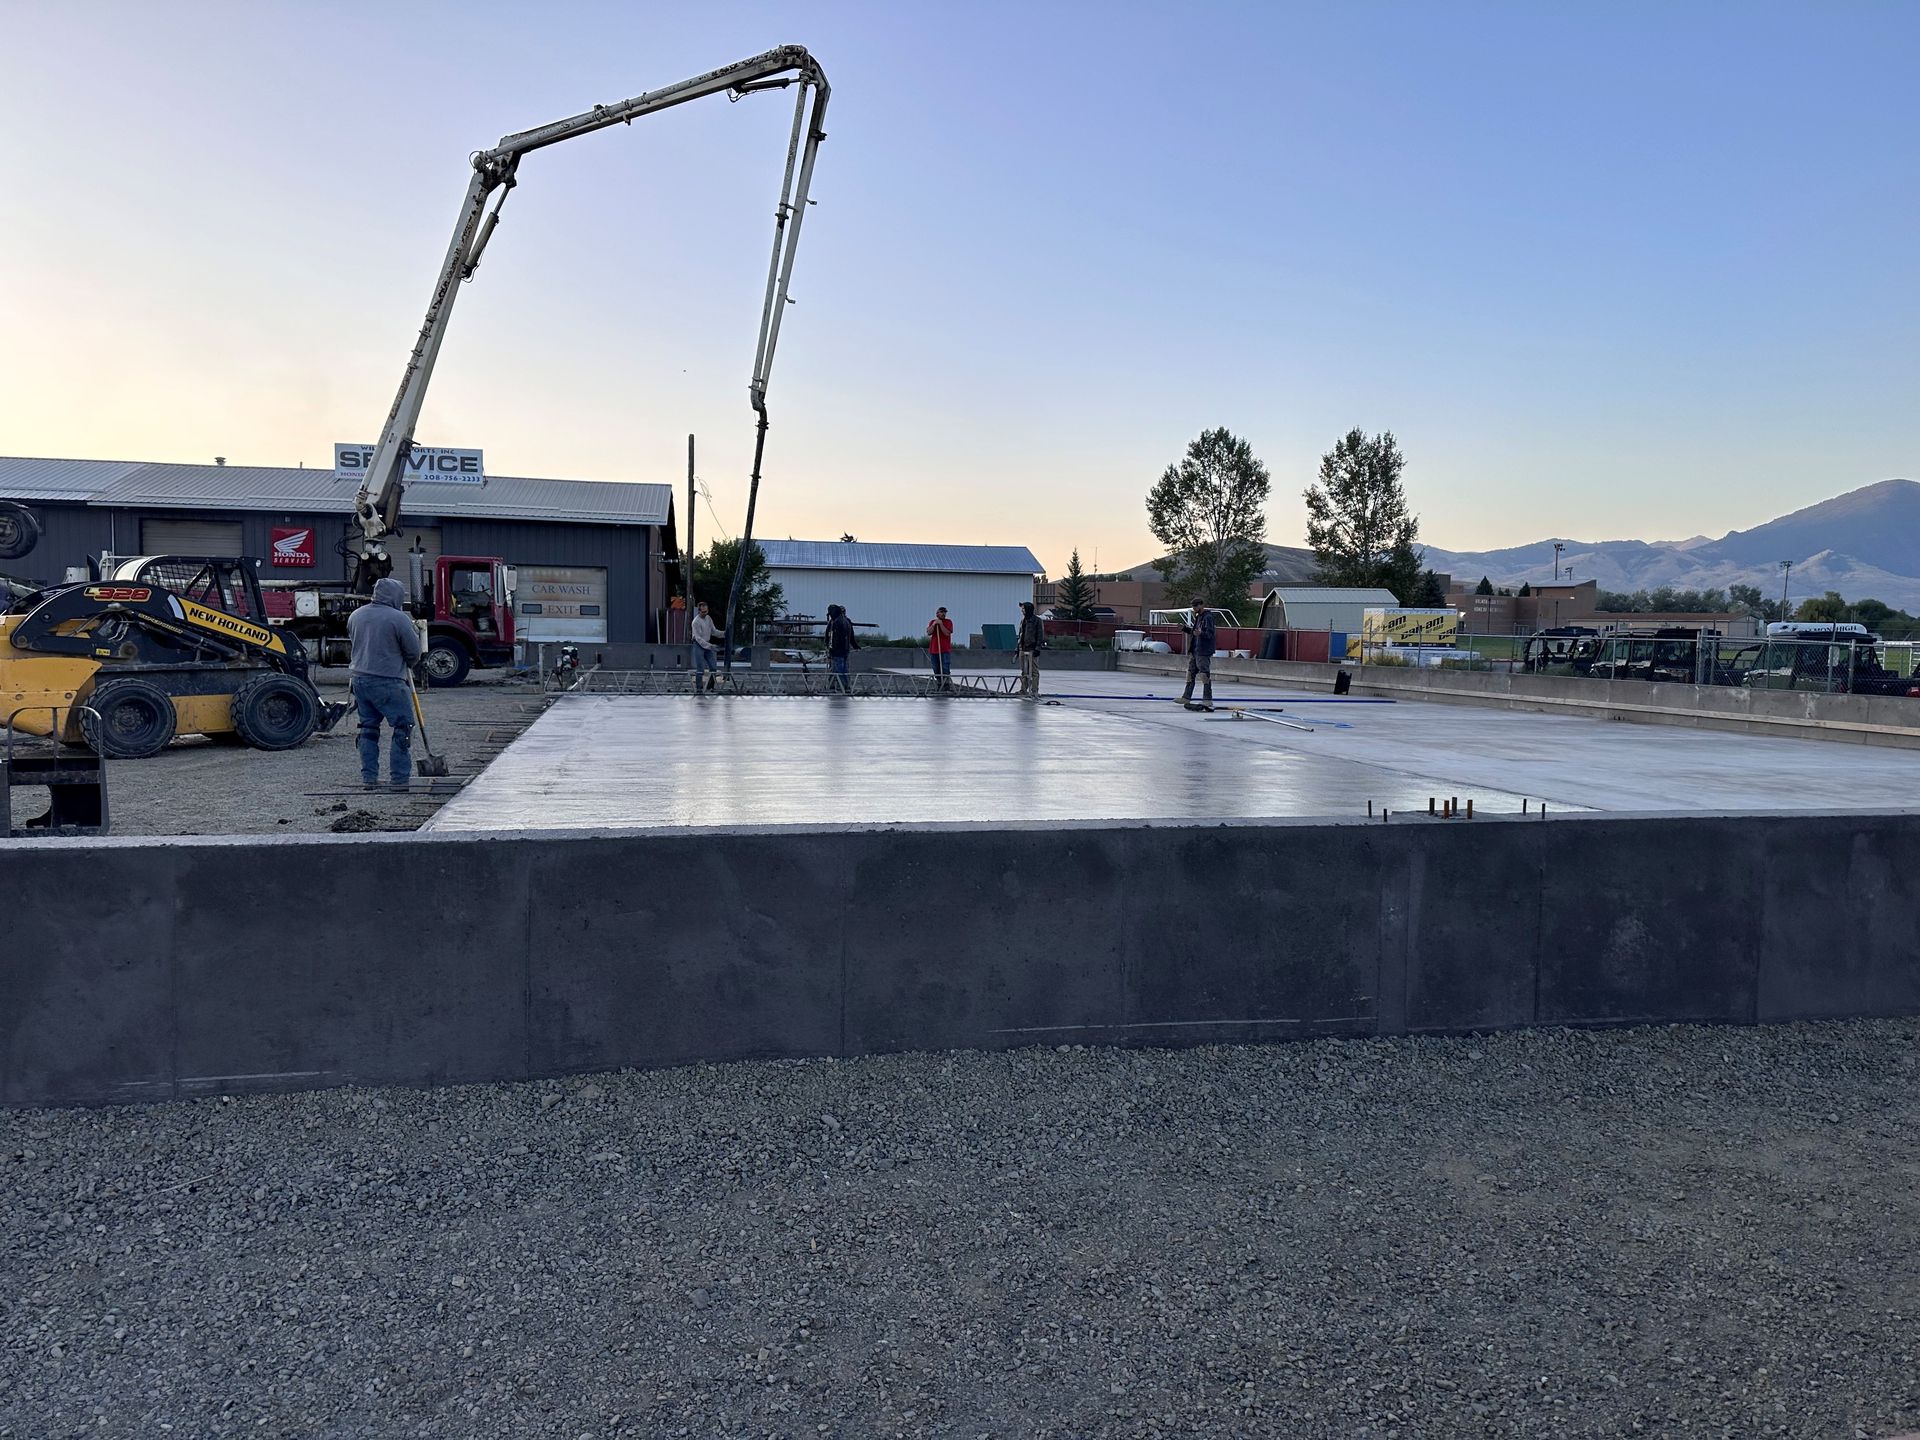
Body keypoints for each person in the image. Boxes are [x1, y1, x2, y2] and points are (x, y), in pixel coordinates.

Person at [346, 575, 424, 790]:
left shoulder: (356, 616)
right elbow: (413, 651)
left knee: (368, 729)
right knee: (403, 727)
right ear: (396, 596)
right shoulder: (398, 618)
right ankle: (399, 780)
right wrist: (410, 662)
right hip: (389, 681)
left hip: (360, 680)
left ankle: (369, 778)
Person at [1180, 600, 1218, 711]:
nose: (1194, 608)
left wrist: (1201, 634)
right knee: (1190, 674)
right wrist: (1185, 629)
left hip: (1203, 650)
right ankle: (1186, 697)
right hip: (1196, 650)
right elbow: (1194, 631)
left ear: (1201, 605)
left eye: (1196, 606)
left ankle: (1207, 698)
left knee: (1204, 674)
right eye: (1193, 607)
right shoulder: (1199, 617)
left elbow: (1210, 634)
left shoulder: (1208, 617)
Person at [689, 600, 721, 692]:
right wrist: (711, 646)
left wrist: (724, 633)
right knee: (700, 668)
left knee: (713, 667)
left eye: (706, 611)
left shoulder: (708, 618)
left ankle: (710, 686)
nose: (704, 613)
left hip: (707, 644)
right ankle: (699, 688)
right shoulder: (696, 622)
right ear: (699, 611)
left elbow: (714, 631)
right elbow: (698, 639)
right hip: (698, 645)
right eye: (702, 612)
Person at [825, 603, 857, 692]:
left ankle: (842, 687)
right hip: (844, 650)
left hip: (838, 651)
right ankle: (840, 686)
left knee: (838, 669)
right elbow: (829, 636)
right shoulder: (846, 621)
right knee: (841, 668)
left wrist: (830, 649)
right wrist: (854, 645)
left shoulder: (835, 622)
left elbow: (831, 638)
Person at [1016, 600, 1044, 699]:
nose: (1022, 611)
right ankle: (1023, 690)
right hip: (1022, 648)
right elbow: (1020, 635)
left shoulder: (1037, 621)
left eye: (1023, 609)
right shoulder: (1023, 621)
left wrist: (1037, 648)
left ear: (1028, 609)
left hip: (1032, 649)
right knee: (1024, 671)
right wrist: (1017, 648)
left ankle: (1034, 690)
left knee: (1034, 672)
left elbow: (1040, 636)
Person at [926, 606, 954, 689]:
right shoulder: (932, 622)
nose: (943, 614)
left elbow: (947, 633)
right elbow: (929, 632)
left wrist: (941, 624)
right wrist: (934, 625)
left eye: (944, 612)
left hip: (944, 649)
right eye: (941, 612)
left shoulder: (948, 622)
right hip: (934, 649)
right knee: (936, 667)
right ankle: (939, 683)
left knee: (945, 667)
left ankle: (946, 684)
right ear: (937, 613)